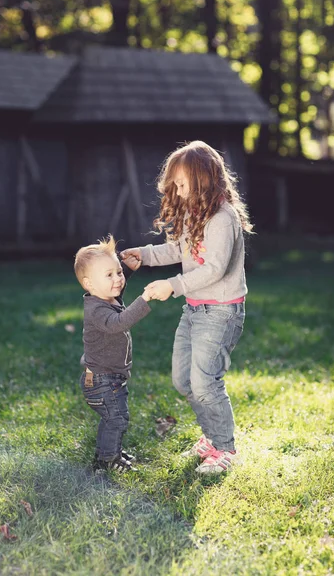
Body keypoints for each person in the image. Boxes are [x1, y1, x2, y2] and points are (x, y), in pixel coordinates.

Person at [121, 140, 252, 474]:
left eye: (181, 184)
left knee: (206, 383)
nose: (177, 192)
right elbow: (177, 251)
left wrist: (173, 285)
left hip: (220, 312)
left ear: (202, 178)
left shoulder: (221, 219)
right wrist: (145, 255)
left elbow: (214, 268)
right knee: (183, 380)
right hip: (195, 310)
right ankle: (212, 437)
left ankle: (225, 448)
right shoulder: (196, 215)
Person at [74, 235, 152, 473]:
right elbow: (119, 322)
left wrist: (126, 268)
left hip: (106, 377)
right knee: (117, 418)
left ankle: (109, 450)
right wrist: (145, 299)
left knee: (112, 418)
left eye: (118, 272)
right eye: (110, 275)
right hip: (101, 381)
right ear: (89, 284)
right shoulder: (97, 310)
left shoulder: (103, 295)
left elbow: (115, 284)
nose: (118, 279)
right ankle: (108, 459)